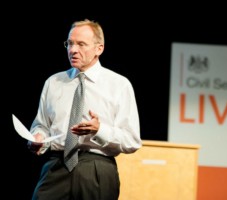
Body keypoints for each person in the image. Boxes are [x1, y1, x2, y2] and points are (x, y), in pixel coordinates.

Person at [27, 19, 142, 200]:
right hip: (56, 165)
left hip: (96, 168)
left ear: (99, 49)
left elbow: (132, 140)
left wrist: (100, 130)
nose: (73, 50)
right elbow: (41, 125)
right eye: (70, 43)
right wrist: (38, 138)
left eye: (81, 44)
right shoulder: (54, 82)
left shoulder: (119, 85)